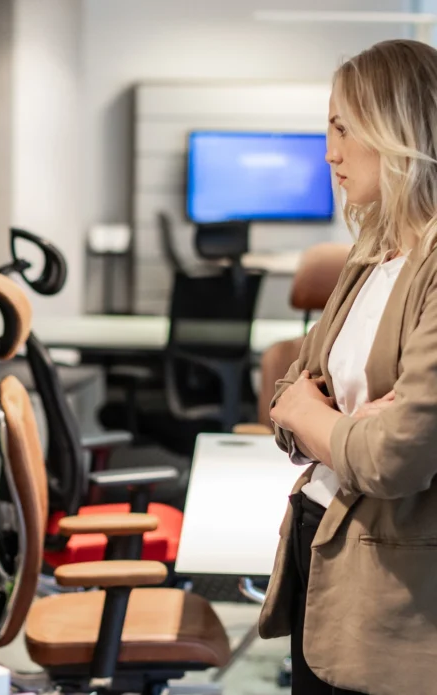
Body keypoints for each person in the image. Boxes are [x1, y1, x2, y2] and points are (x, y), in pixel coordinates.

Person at [262, 39, 437, 695]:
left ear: (398, 130)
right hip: (320, 543)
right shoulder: (371, 253)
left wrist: (313, 416)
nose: (329, 152)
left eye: (343, 128)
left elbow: (397, 457)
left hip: (389, 582)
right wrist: (332, 422)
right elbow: (286, 395)